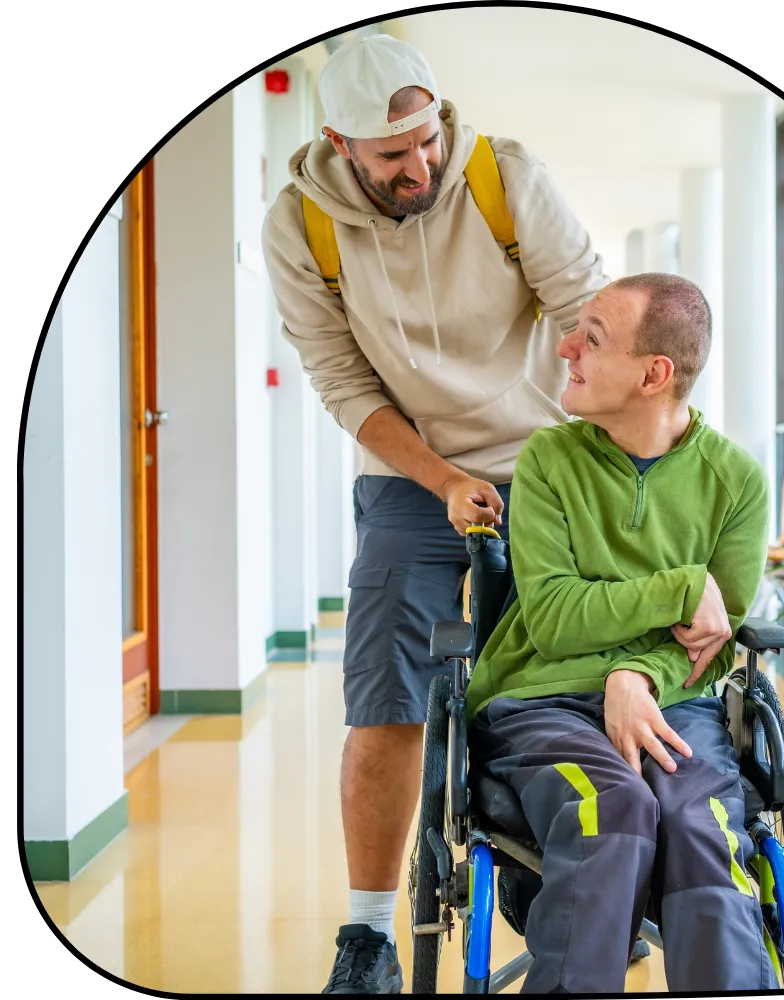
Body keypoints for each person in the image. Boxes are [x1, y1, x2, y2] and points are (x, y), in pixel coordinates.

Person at [260, 32, 611, 994]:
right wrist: (442, 479)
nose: (419, 165)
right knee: (385, 699)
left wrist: (600, 461)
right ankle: (367, 935)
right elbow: (340, 379)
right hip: (415, 477)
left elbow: (586, 309)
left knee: (564, 672)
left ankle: (568, 882)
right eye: (392, 155)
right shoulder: (301, 225)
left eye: (426, 140)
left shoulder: (503, 176)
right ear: (340, 143)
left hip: (548, 464)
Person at [464, 272, 780, 992]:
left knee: (703, 831)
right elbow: (551, 617)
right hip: (541, 701)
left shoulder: (735, 482)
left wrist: (632, 678)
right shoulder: (550, 461)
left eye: (592, 338)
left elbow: (712, 642)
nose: (567, 347)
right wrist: (678, 587)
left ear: (653, 373)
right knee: (612, 808)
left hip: (675, 704)